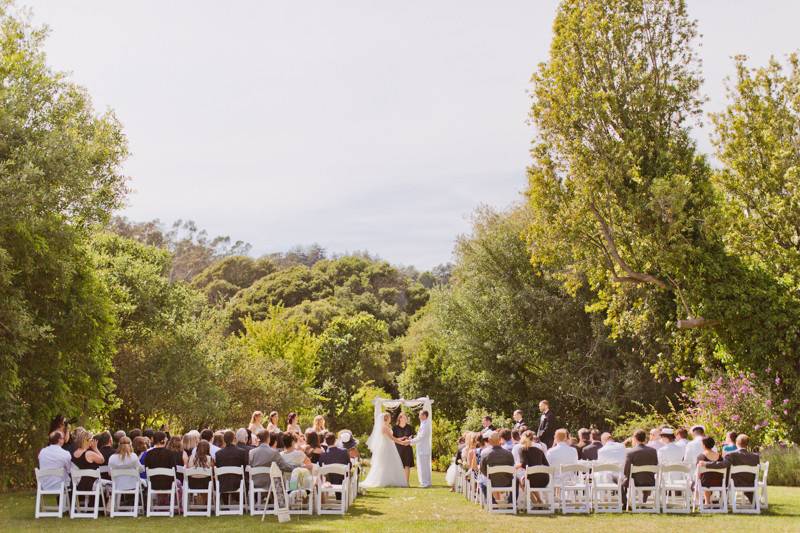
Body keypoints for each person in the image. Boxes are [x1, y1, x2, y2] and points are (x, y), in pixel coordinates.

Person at [701, 433, 759, 502]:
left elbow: (722, 465)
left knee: (723, 477)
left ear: (737, 442)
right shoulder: (756, 456)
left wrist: (707, 464)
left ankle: (722, 500)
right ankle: (753, 501)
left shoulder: (732, 455)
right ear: (747, 444)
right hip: (751, 483)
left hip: (735, 483)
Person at [362, 412, 408, 488]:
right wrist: (402, 443)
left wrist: (401, 439)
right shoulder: (384, 427)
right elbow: (392, 438)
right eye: (389, 417)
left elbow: (391, 438)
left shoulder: (387, 426)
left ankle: (390, 480)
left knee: (390, 463)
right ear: (386, 418)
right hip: (386, 447)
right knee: (385, 463)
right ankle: (383, 480)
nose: (391, 418)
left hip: (389, 445)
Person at [622, 429, 658, 508]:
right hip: (650, 481)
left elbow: (626, 470)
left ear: (634, 438)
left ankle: (625, 503)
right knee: (645, 476)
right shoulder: (653, 451)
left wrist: (627, 478)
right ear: (645, 439)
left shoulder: (630, 452)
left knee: (620, 480)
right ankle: (643, 502)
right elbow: (655, 464)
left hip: (635, 482)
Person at [479, 431, 515, 502]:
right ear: (500, 440)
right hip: (507, 482)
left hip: (491, 481)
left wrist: (489, 477)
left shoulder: (484, 453)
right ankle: (511, 502)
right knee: (515, 480)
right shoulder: (508, 453)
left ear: (489, 441)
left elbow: (482, 469)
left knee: (481, 481)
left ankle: (492, 502)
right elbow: (512, 467)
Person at [518, 430, 549, 503]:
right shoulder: (539, 450)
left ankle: (535, 503)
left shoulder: (522, 450)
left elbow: (524, 464)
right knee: (529, 479)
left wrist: (517, 466)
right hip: (544, 480)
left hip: (531, 480)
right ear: (532, 439)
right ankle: (539, 501)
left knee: (521, 482)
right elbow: (547, 465)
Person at [215, 430, 248, 499]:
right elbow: (245, 467)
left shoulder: (218, 454)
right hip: (238, 483)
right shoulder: (242, 452)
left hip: (223, 484)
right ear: (234, 439)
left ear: (224, 440)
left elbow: (218, 467)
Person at [695, 437, 723, 506]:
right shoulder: (719, 456)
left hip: (705, 482)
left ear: (704, 445)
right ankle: (707, 501)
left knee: (700, 480)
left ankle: (705, 502)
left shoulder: (701, 456)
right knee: (709, 476)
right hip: (718, 482)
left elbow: (698, 471)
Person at [410, 410, 432, 488]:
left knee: (423, 467)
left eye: (420, 415)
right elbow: (419, 436)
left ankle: (425, 483)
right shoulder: (423, 424)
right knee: (425, 466)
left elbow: (421, 437)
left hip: (423, 449)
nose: (419, 416)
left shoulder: (425, 425)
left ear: (424, 416)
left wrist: (410, 441)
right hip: (422, 448)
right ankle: (427, 482)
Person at [392, 412, 415, 485]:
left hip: (407, 448)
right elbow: (393, 438)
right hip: (398, 448)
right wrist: (402, 439)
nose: (405, 419)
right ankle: (398, 482)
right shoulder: (395, 428)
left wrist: (409, 439)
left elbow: (413, 437)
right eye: (403, 417)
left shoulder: (410, 427)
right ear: (400, 418)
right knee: (399, 465)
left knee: (407, 465)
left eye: (406, 418)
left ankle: (406, 482)